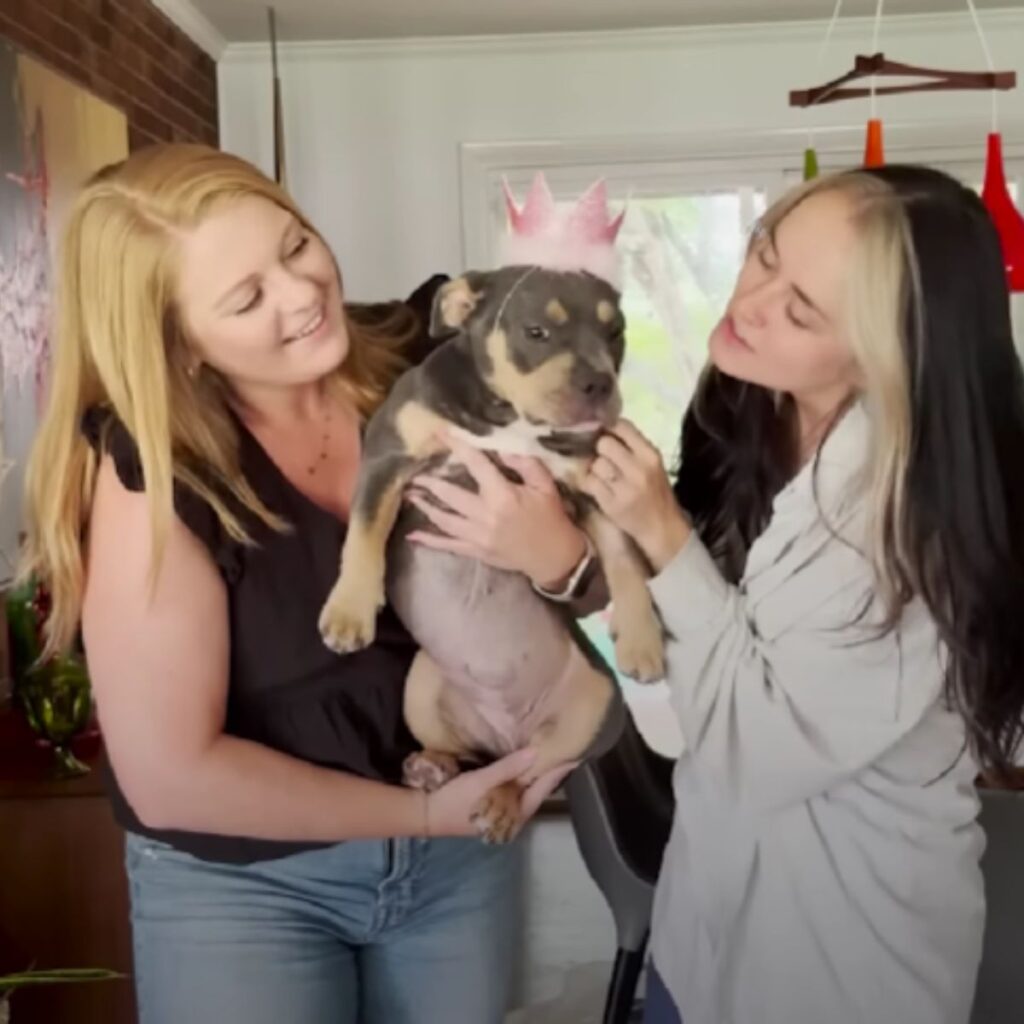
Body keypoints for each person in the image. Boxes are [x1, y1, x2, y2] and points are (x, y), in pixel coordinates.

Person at [20, 143, 598, 1024]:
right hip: (248, 892)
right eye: (246, 298)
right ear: (180, 344)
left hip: (463, 861)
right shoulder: (156, 472)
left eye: (294, 246)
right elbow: (169, 778)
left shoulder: (426, 357)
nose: (301, 294)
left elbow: (614, 570)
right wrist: (430, 815)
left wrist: (562, 556)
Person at [582, 165, 1024, 1024]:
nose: (749, 303)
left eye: (801, 311)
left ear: (885, 349)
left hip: (843, 956)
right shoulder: (739, 405)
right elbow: (680, 696)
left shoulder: (909, 528)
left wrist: (658, 534)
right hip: (698, 921)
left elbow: (749, 748)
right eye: (763, 256)